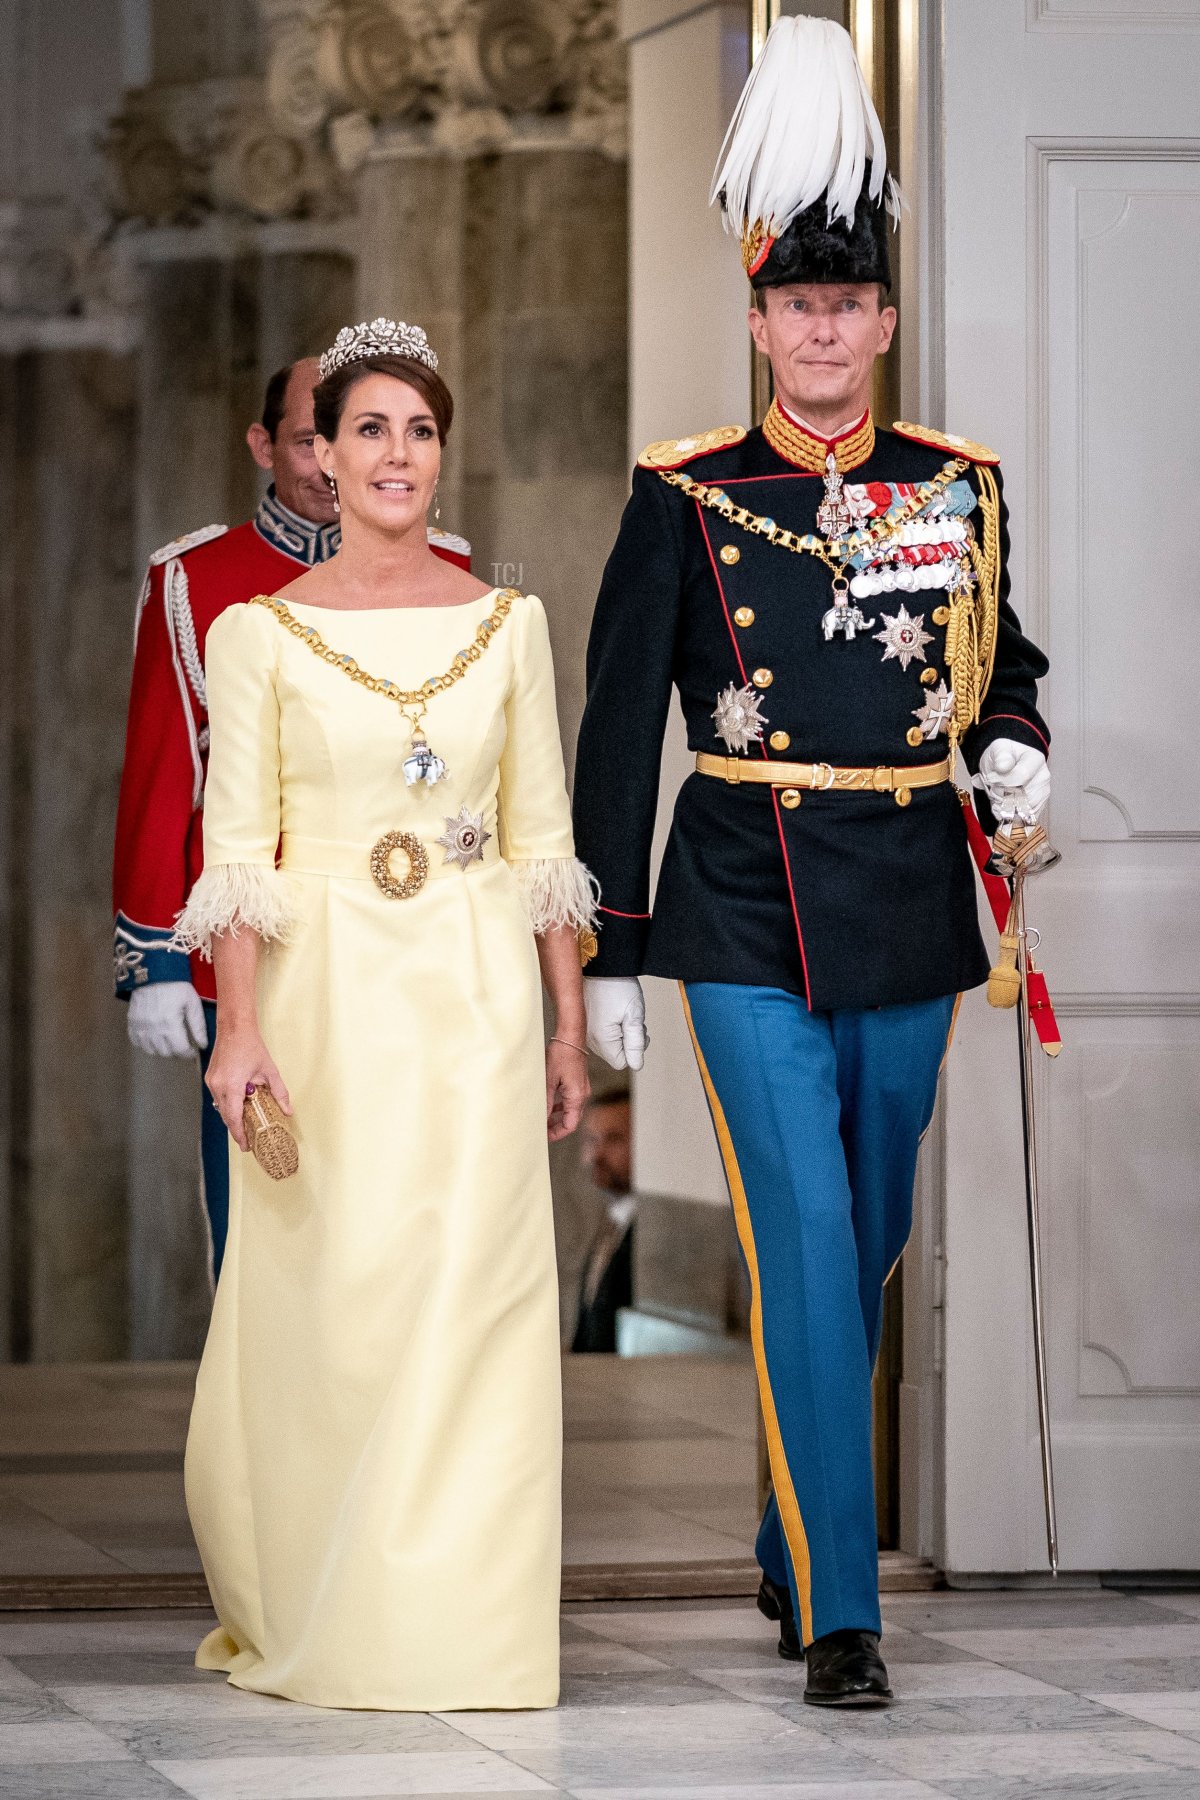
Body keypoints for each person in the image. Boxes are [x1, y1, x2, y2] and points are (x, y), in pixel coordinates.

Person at [572, 17, 1051, 1708]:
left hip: (914, 892)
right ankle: (843, 1614)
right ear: (763, 319)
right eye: (797, 304)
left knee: (866, 1230)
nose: (825, 327)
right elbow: (620, 717)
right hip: (742, 897)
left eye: (850, 305)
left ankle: (797, 1524)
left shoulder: (957, 487)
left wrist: (1014, 743)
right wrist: (616, 948)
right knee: (800, 1231)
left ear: (884, 321)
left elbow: (1007, 663)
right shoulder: (687, 496)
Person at [173, 317, 597, 1711]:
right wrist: (238, 1034)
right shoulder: (255, 636)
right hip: (326, 995)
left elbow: (543, 843)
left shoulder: (511, 624)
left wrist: (562, 1027)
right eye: (368, 429)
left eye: (419, 429)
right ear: (322, 454)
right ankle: (333, 1606)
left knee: (477, 1299)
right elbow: (237, 853)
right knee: (340, 1306)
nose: (396, 454)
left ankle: (471, 1632)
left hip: (474, 985)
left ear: (440, 452)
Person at [113, 357, 472, 1281]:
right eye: (309, 437)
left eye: (343, 432)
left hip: (407, 930)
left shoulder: (457, 575)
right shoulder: (196, 578)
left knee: (403, 1206)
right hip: (256, 945)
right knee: (265, 1212)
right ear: (264, 445)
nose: (326, 461)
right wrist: (155, 956)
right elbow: (166, 772)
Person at [572, 1086, 637, 1353]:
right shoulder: (610, 1222)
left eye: (613, 1139)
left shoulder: (653, 1233)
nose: (597, 1155)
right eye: (591, 1140)